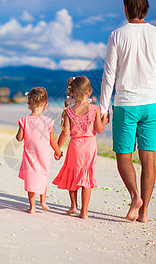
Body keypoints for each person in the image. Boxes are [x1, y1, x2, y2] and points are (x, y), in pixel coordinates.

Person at [99, 0, 156, 222]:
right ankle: (143, 212)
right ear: (147, 9)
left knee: (124, 156)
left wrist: (103, 109)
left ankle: (135, 197)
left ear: (125, 9)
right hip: (153, 104)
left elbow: (109, 75)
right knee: (148, 159)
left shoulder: (117, 35)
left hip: (125, 104)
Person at [53, 76, 108, 219]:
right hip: (89, 147)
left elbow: (65, 133)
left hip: (75, 147)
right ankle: (84, 211)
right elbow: (100, 130)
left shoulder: (69, 111)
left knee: (72, 175)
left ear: (72, 93)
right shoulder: (95, 109)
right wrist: (105, 118)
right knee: (86, 177)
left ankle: (73, 206)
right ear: (89, 92)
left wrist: (58, 149)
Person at [16, 87, 63, 214]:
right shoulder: (48, 121)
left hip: (30, 156)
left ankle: (32, 207)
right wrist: (58, 151)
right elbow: (52, 140)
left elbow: (19, 138)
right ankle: (43, 202)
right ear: (45, 105)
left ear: (28, 105)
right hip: (44, 156)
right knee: (43, 178)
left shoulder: (24, 120)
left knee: (31, 180)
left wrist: (20, 128)